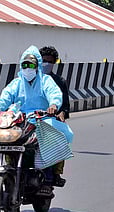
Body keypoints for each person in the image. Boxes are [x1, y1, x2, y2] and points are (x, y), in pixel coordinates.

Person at [0, 45, 72, 192]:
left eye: (31, 65)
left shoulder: (46, 81)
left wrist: (53, 105)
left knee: (52, 139)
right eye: (25, 64)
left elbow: (55, 95)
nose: (27, 68)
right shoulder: (16, 83)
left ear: (36, 65)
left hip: (40, 118)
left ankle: (48, 179)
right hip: (19, 118)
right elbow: (4, 99)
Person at [40, 46, 70, 186]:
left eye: (49, 61)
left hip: (48, 118)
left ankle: (56, 173)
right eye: (43, 61)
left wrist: (61, 113)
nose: (46, 64)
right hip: (28, 118)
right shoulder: (26, 80)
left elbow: (64, 105)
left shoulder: (59, 82)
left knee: (60, 136)